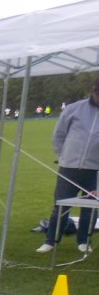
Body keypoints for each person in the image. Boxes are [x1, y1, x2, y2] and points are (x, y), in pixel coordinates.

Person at [36, 77, 99, 255]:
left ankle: (83, 241)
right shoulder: (74, 109)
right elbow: (59, 135)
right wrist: (63, 157)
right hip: (68, 168)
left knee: (90, 207)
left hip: (94, 170)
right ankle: (51, 241)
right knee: (61, 206)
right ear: (94, 90)